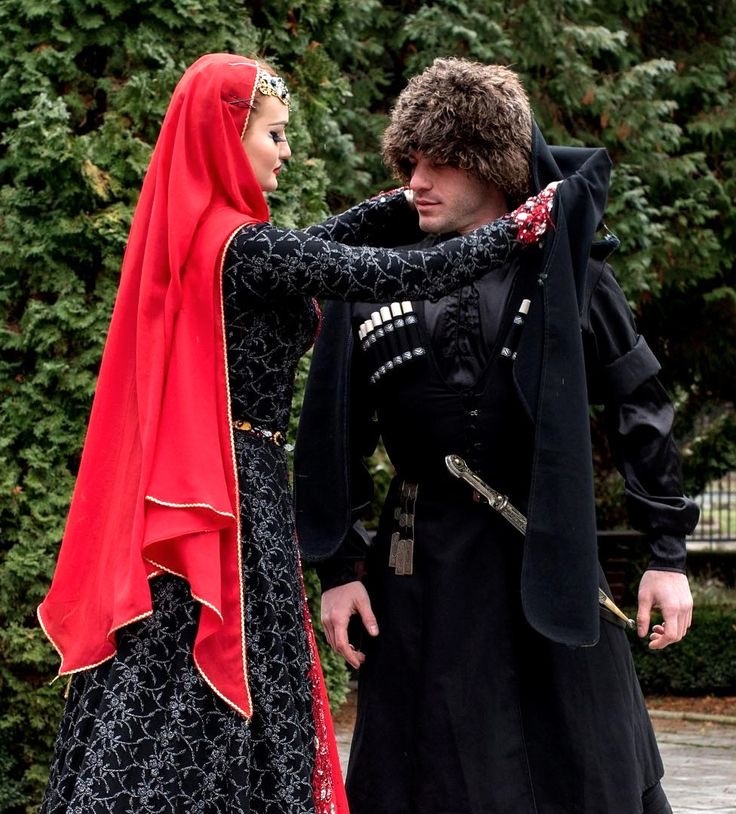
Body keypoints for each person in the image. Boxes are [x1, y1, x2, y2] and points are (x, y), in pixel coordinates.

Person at [36, 54, 559, 814]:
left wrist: (404, 198)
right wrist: (518, 227)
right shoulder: (243, 248)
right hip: (233, 493)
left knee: (187, 672)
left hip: (228, 485)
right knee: (220, 673)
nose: (285, 152)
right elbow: (393, 275)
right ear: (228, 138)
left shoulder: (213, 241)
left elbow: (317, 249)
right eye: (274, 135)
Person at [294, 58, 700, 814]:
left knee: (583, 772)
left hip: (550, 561)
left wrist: (666, 556)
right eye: (409, 162)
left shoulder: (570, 270)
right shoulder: (373, 274)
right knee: (429, 782)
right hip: (421, 575)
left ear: (491, 166)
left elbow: (639, 403)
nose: (416, 181)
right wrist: (340, 568)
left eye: (439, 163)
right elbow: (331, 431)